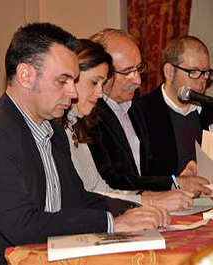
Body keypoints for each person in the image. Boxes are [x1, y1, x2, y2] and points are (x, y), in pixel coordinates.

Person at [0, 23, 170, 265]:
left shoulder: (53, 130)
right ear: (25, 75)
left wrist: (132, 210)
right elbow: (23, 225)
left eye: (74, 80)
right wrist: (112, 223)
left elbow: (78, 199)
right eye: (62, 80)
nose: (72, 93)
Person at [62, 38, 193, 212]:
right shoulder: (82, 119)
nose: (100, 93)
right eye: (94, 82)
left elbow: (102, 188)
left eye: (139, 69)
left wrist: (173, 183)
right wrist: (151, 200)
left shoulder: (80, 122)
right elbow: (104, 185)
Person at [88, 29, 210, 196]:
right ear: (102, 72)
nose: (138, 80)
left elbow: (145, 173)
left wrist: (180, 178)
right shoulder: (90, 116)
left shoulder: (133, 109)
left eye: (139, 69)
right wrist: (174, 182)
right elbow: (112, 181)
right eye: (127, 72)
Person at [137, 36, 213, 176]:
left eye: (206, 72)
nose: (202, 81)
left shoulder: (209, 112)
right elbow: (141, 175)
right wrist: (177, 182)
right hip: (166, 196)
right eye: (193, 72)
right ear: (169, 72)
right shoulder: (141, 112)